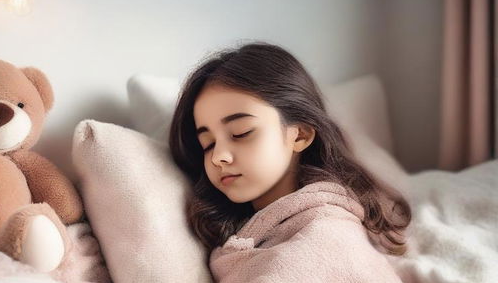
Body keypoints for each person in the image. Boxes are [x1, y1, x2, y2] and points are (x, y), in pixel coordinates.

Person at [169, 42, 410, 257]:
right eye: (208, 144)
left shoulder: (330, 226)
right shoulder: (225, 229)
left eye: (241, 132)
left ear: (300, 135)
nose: (219, 156)